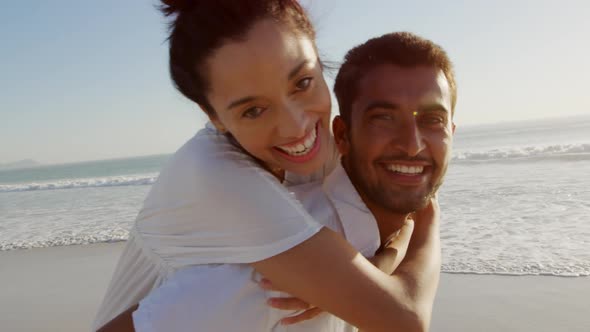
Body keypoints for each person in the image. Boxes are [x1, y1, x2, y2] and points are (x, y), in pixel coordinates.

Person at [93, 1, 456, 331]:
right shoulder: (218, 179)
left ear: (316, 56)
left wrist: (380, 262)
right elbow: (402, 319)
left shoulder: (319, 144)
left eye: (302, 83)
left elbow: (406, 185)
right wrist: (373, 272)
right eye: (253, 110)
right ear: (212, 115)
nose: (296, 125)